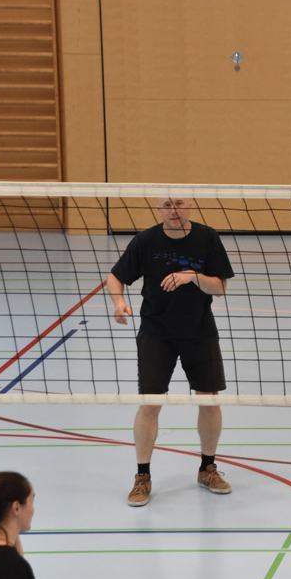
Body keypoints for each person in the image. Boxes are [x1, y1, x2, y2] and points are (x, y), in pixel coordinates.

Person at [107, 195, 236, 507]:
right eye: (167, 205)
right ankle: (142, 477)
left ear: (190, 205)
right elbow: (115, 276)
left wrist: (192, 277)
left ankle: (207, 469)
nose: (174, 210)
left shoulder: (207, 238)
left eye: (179, 203)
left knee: (209, 400)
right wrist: (118, 301)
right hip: (157, 333)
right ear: (159, 208)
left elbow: (220, 287)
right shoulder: (146, 241)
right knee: (150, 404)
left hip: (199, 331)